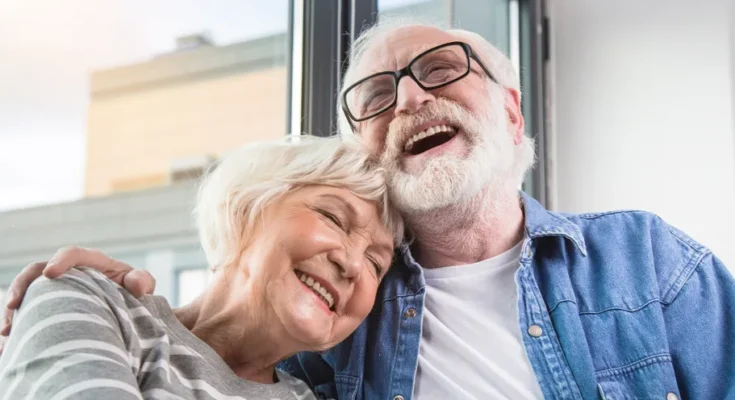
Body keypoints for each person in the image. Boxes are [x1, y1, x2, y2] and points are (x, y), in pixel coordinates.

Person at [4, 18, 735, 400]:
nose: (412, 98)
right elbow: (222, 330)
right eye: (376, 97)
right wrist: (91, 294)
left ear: (512, 112)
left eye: (442, 70)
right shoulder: (326, 334)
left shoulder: (645, 261)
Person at [0, 135, 403, 399]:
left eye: (375, 262)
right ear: (245, 211)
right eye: (332, 218)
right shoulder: (84, 299)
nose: (351, 263)